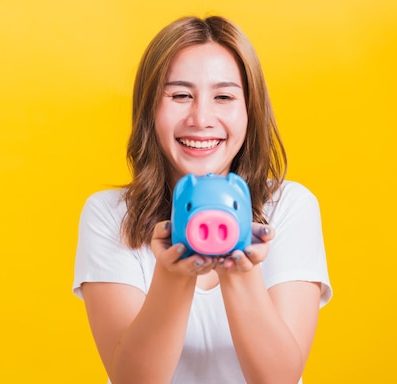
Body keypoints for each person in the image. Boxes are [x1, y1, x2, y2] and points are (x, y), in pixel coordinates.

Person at [72, 15, 332, 384]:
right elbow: (133, 379)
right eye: (180, 95)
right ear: (150, 109)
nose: (201, 118)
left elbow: (279, 379)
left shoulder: (290, 207)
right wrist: (174, 272)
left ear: (249, 110)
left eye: (224, 96)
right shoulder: (109, 215)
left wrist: (240, 270)